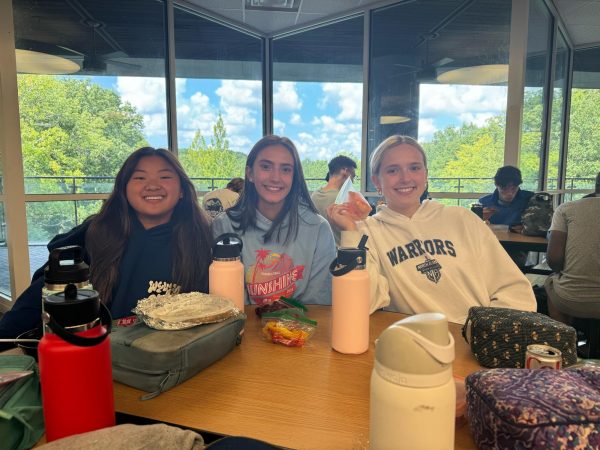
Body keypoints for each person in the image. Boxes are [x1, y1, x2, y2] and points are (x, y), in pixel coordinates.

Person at [0, 147, 213, 345]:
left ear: (182, 190)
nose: (153, 185)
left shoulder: (199, 238)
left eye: (165, 177)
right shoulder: (96, 233)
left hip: (167, 356)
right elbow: (39, 298)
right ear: (124, 189)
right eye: (139, 177)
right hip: (94, 353)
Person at [327, 135, 536, 324]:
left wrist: (484, 334)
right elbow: (362, 303)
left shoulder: (461, 219)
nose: (405, 178)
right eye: (392, 170)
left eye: (414, 168)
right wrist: (350, 233)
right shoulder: (367, 233)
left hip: (479, 341)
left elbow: (515, 291)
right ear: (376, 181)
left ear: (426, 174)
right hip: (415, 347)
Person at [212, 135, 336, 307]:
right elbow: (229, 304)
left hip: (301, 330)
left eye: (286, 169)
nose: (275, 177)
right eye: (266, 167)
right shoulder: (224, 226)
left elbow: (318, 304)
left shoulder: (318, 228)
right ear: (250, 174)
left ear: (295, 178)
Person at [545, 175, 600, 324]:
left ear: (595, 187)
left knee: (550, 283)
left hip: (571, 299)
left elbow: (554, 260)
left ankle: (565, 341)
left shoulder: (566, 209)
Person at [311, 156, 357, 246]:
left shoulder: (314, 195)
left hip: (320, 253)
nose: (353, 182)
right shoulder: (346, 200)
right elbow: (356, 231)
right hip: (342, 253)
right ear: (345, 171)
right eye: (353, 177)